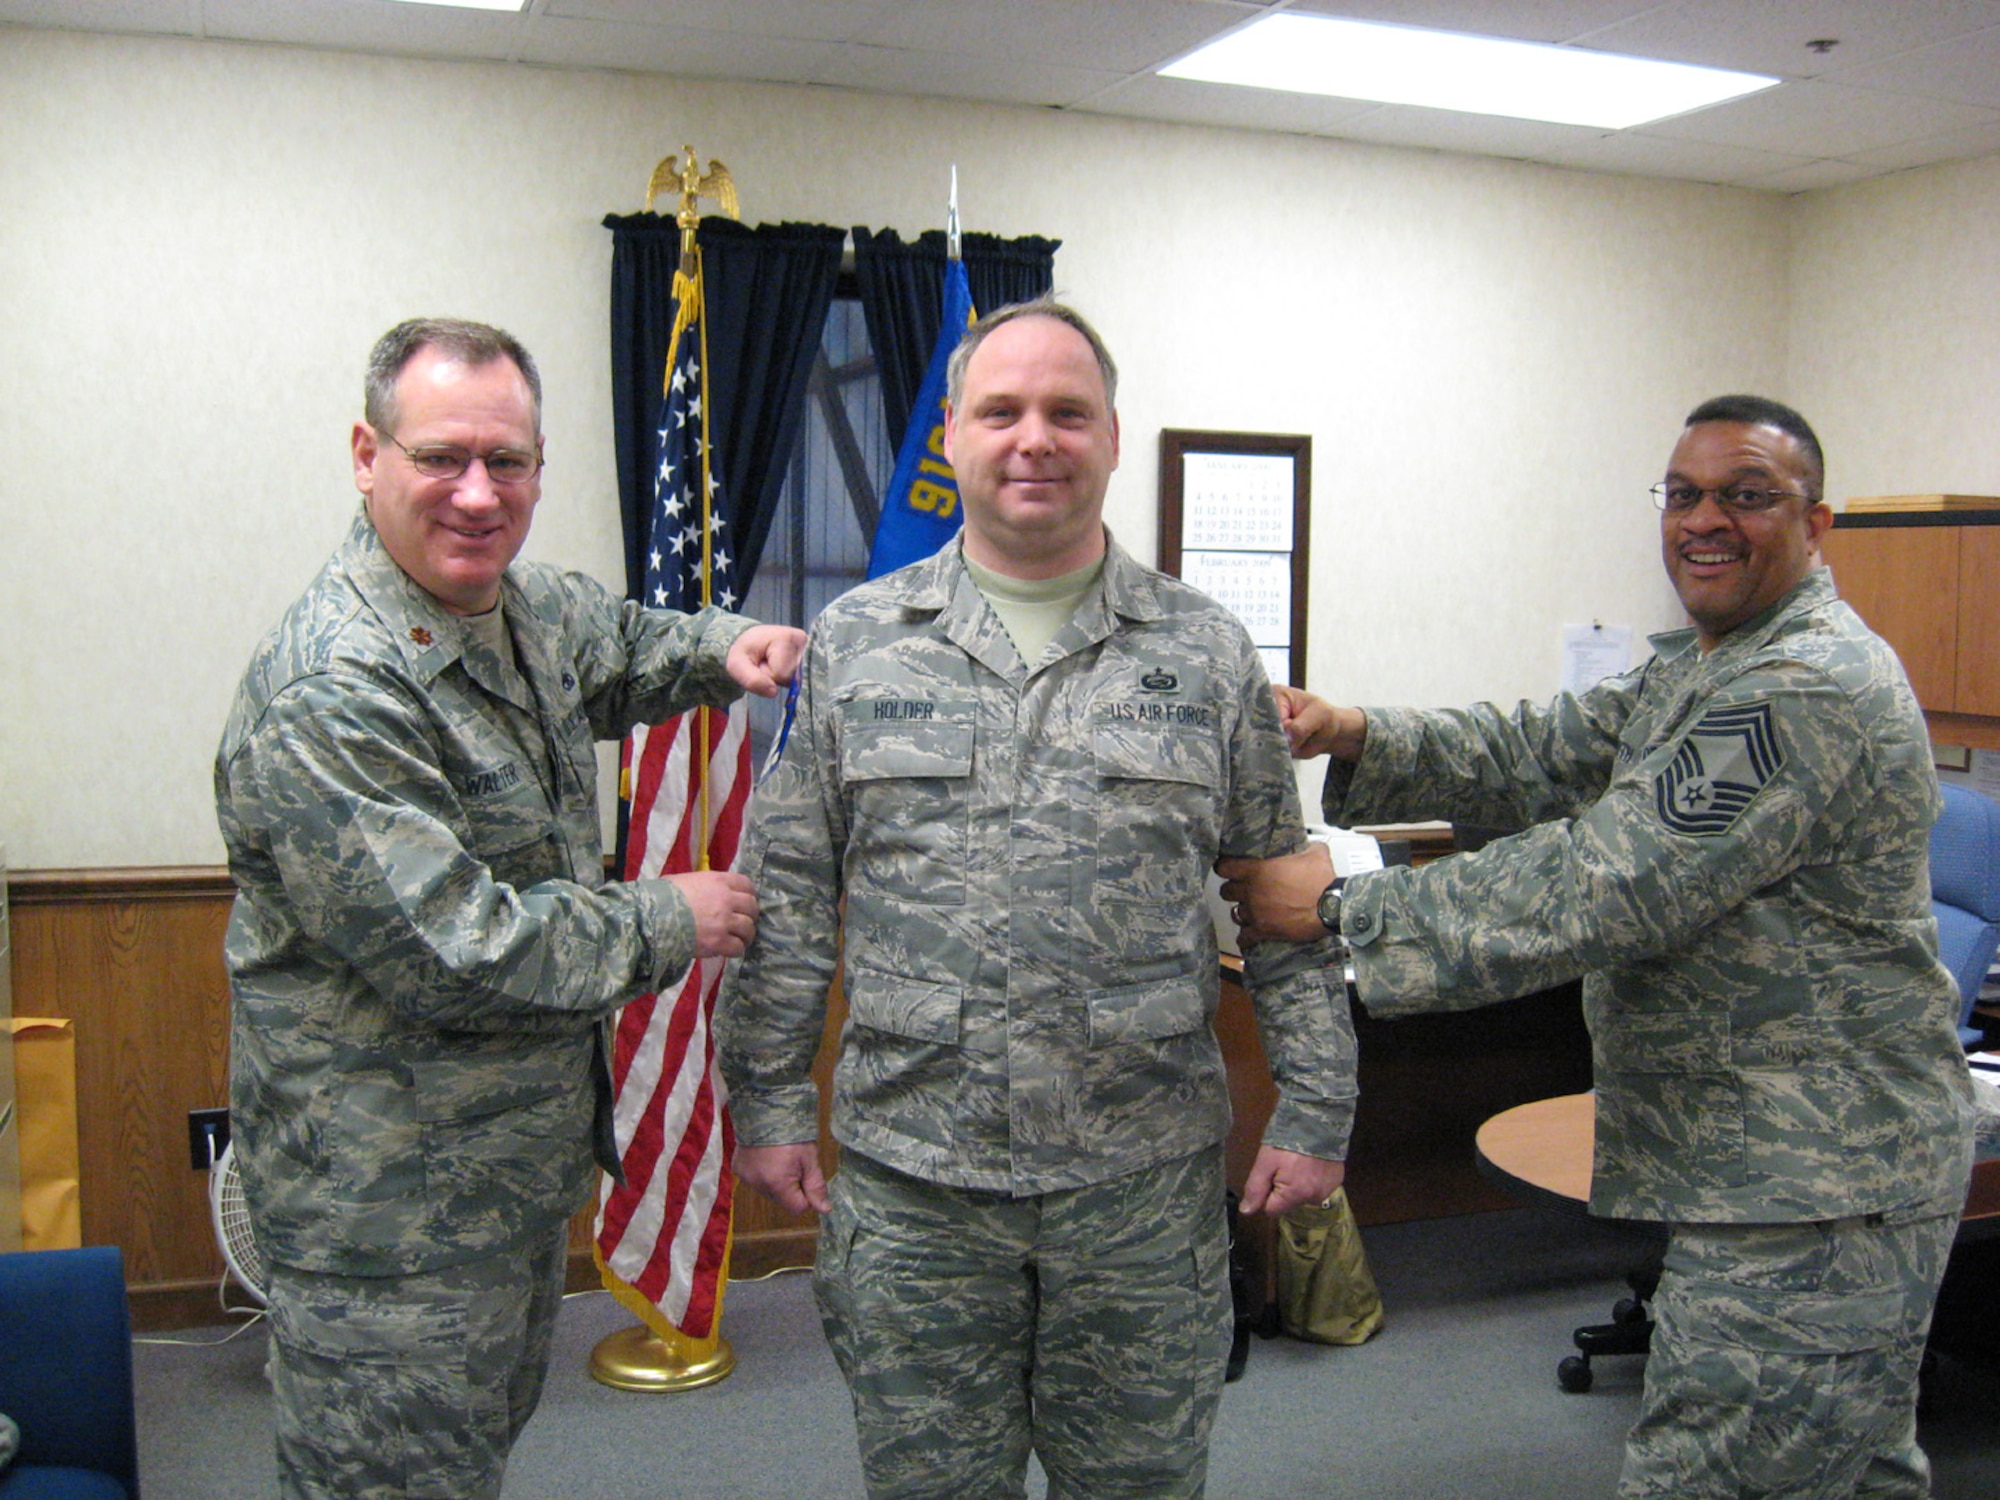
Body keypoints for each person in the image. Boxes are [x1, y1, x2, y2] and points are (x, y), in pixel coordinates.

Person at [1218, 394, 1978, 1499]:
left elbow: (1605, 879)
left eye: (1745, 495)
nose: (1703, 520)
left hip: (1808, 1193)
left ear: (1818, 525)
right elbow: (1540, 746)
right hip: (1785, 1174)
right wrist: (1355, 731)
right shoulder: (1707, 666)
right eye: (1682, 495)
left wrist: (1338, 907)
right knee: (1842, 1470)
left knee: (1713, 1475)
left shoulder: (1799, 687)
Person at [715, 298, 1355, 1500]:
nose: (1032, 439)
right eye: (998, 410)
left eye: (1067, 412)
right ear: (950, 434)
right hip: (917, 1184)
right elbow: (790, 895)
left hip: (1140, 1187)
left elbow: (1280, 901)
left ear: (1112, 436)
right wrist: (765, 1099)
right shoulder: (857, 642)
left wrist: (1315, 1104)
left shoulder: (1205, 650)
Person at [214, 317, 804, 1500]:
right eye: (442, 457)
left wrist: (727, 645)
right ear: (365, 454)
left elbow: (621, 643)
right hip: (387, 1232)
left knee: (461, 1470)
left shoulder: (518, 608)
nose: (479, 495)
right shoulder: (337, 687)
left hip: (503, 1189)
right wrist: (665, 918)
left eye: (510, 461)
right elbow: (457, 951)